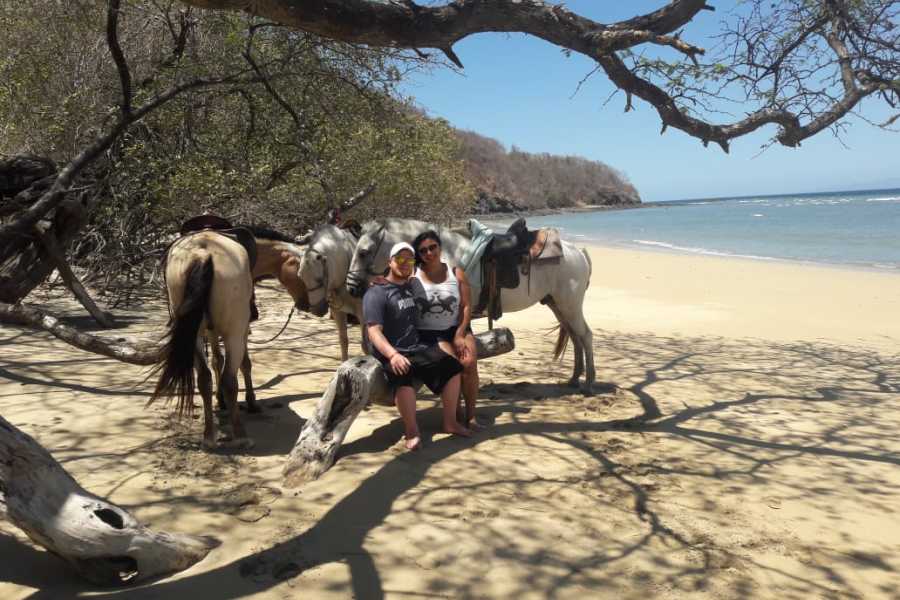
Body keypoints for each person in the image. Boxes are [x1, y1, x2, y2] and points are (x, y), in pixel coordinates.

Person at [363, 242, 472, 450]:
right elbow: (373, 331)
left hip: (416, 347)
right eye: (400, 259)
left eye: (409, 260)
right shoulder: (377, 293)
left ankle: (450, 422)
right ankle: (411, 431)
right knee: (404, 378)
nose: (405, 264)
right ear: (390, 262)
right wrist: (393, 355)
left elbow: (434, 284)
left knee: (452, 368)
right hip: (391, 352)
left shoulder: (411, 285)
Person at [411, 230, 483, 430]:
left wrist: (460, 333)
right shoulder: (413, 275)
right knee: (451, 366)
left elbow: (467, 306)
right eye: (423, 250)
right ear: (419, 254)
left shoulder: (456, 272)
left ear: (440, 247)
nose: (429, 253)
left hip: (457, 327)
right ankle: (455, 413)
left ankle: (471, 415)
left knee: (469, 363)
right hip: (431, 333)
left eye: (433, 247)